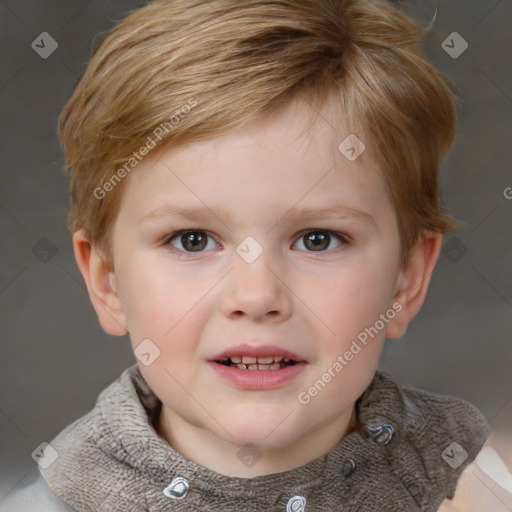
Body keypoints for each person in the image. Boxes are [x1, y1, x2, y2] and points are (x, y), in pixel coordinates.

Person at [2, 0, 511, 510]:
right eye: (192, 240)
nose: (257, 296)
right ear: (107, 280)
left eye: (318, 239)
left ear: (406, 279)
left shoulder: (472, 486)